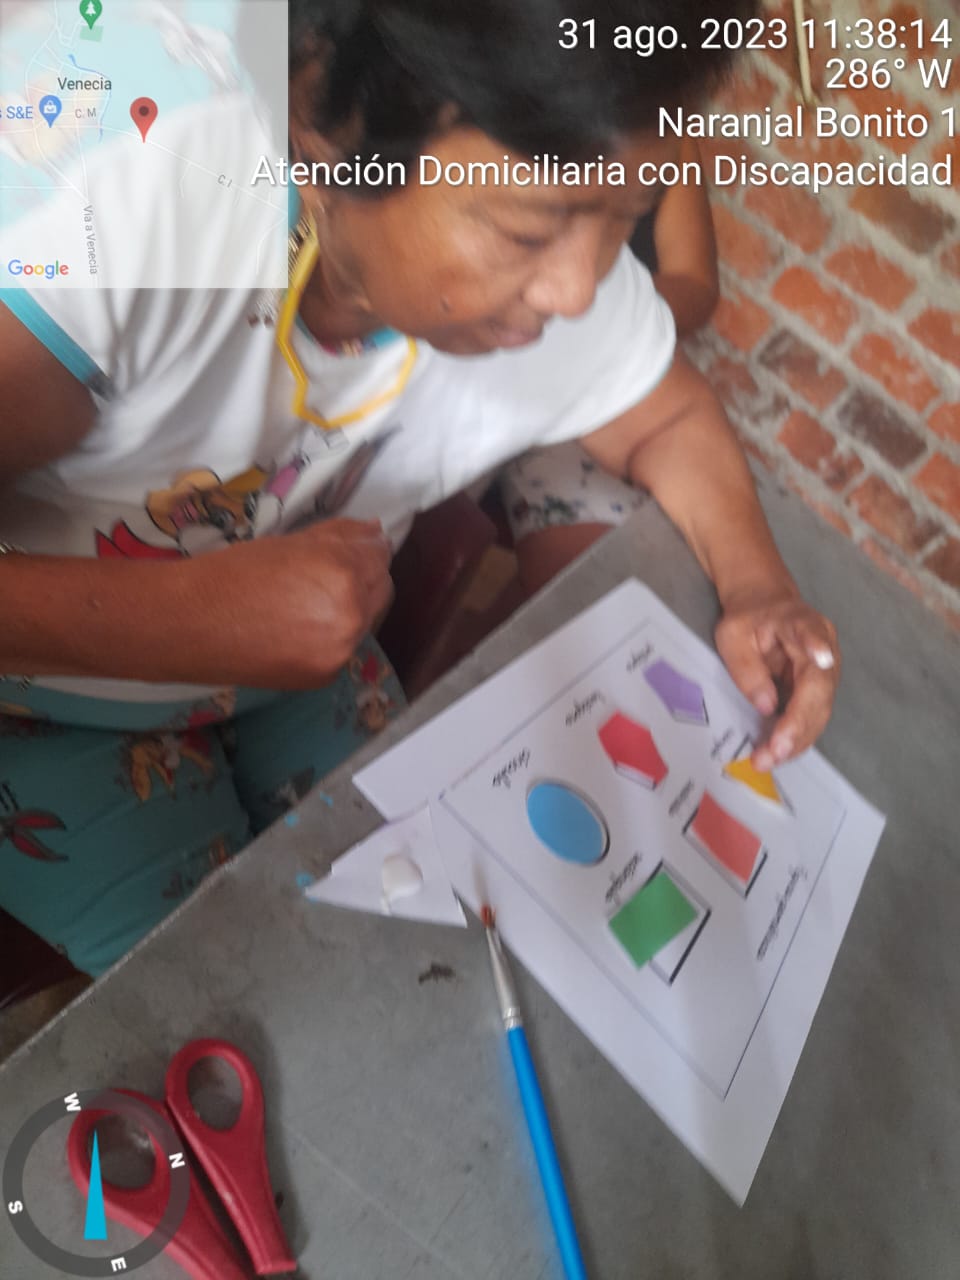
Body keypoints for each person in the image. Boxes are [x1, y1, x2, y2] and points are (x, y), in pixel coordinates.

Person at [0, 0, 839, 977]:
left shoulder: (552, 270)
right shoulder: (107, 207)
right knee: (242, 986)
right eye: (529, 228)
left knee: (413, 948)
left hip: (298, 666)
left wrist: (757, 584)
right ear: (328, 129)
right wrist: (185, 616)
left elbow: (670, 416)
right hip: (44, 702)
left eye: (624, 216)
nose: (577, 290)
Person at [501, 135, 722, 593]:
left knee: (605, 581)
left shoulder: (669, 138)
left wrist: (597, 324)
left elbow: (696, 287)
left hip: (585, 382)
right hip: (482, 348)